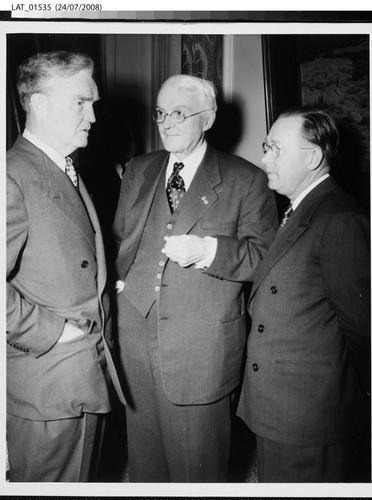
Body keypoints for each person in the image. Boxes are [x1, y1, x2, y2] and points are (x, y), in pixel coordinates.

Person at [113, 74, 278, 482]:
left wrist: (210, 251)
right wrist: (116, 281)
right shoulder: (139, 169)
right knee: (145, 466)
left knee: (196, 471)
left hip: (198, 347)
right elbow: (121, 235)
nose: (166, 123)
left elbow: (266, 259)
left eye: (179, 114)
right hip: (135, 335)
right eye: (161, 113)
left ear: (207, 119)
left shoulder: (246, 179)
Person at [6, 51, 125, 482]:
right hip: (49, 381)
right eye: (81, 102)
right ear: (38, 103)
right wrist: (54, 332)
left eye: (92, 102)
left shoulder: (64, 168)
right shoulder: (11, 175)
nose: (92, 116)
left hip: (80, 374)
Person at [237, 108, 371, 482]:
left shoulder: (339, 218)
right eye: (266, 147)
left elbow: (364, 328)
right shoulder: (299, 209)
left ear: (312, 157)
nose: (264, 159)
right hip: (283, 408)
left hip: (311, 414)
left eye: (275, 149)